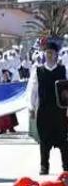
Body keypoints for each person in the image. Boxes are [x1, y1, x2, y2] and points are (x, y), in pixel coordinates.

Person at [29, 42, 68, 175]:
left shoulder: (63, 70)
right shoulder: (38, 70)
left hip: (60, 110)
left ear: (57, 54)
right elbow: (32, 90)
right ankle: (44, 166)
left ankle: (66, 166)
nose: (50, 55)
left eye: (52, 52)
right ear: (44, 54)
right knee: (44, 140)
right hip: (44, 110)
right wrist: (31, 107)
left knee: (63, 139)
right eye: (47, 52)